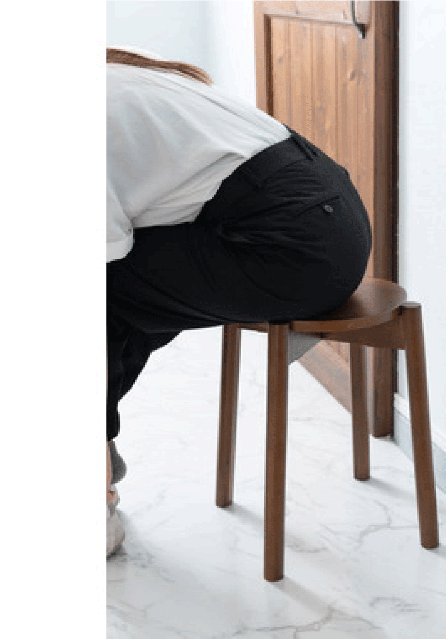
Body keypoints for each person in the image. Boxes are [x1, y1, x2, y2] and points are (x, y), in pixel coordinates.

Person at [106, 47, 372, 556]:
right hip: (329, 221)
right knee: (124, 295)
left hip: (298, 246)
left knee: (105, 294)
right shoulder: (115, 73)